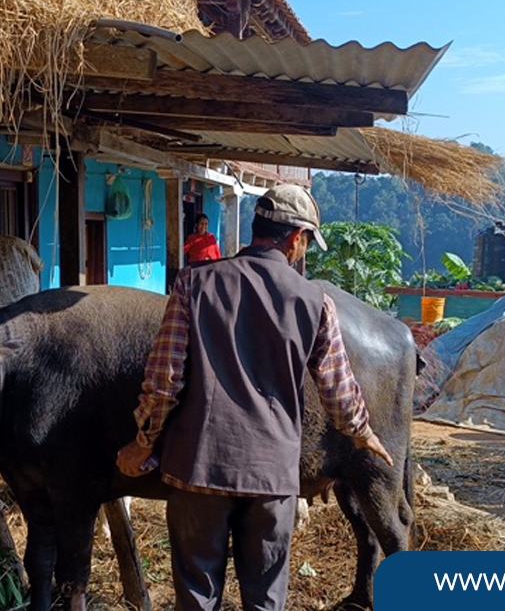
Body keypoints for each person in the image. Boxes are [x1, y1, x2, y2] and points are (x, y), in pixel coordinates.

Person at [117, 184, 391, 611]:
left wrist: (142, 443)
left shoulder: (194, 282)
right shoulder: (316, 302)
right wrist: (362, 433)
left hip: (198, 469)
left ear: (257, 228)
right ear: (297, 238)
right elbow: (337, 390)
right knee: (265, 597)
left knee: (196, 595)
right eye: (306, 243)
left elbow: (164, 379)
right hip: (272, 476)